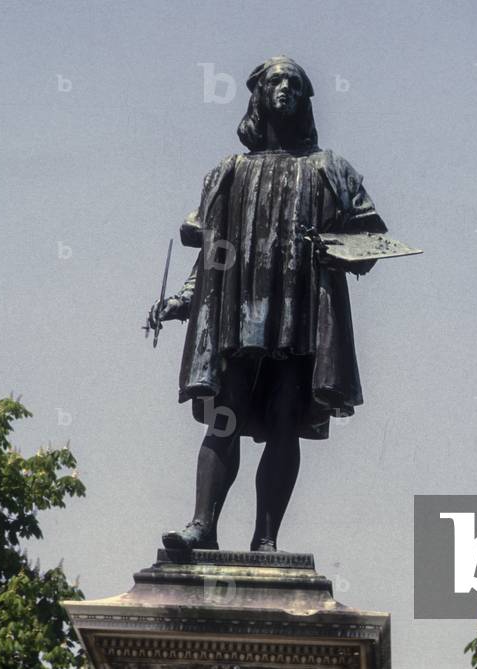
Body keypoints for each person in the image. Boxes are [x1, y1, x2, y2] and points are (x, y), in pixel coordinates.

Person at [146, 56, 387, 552]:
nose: (285, 89)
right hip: (237, 315)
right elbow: (212, 251)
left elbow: (373, 241)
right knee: (225, 415)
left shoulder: (330, 169)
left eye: (295, 84)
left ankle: (266, 539)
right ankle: (202, 526)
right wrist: (184, 300)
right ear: (258, 95)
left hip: (299, 315)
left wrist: (335, 250)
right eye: (276, 81)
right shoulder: (229, 172)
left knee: (284, 419)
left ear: (305, 100)